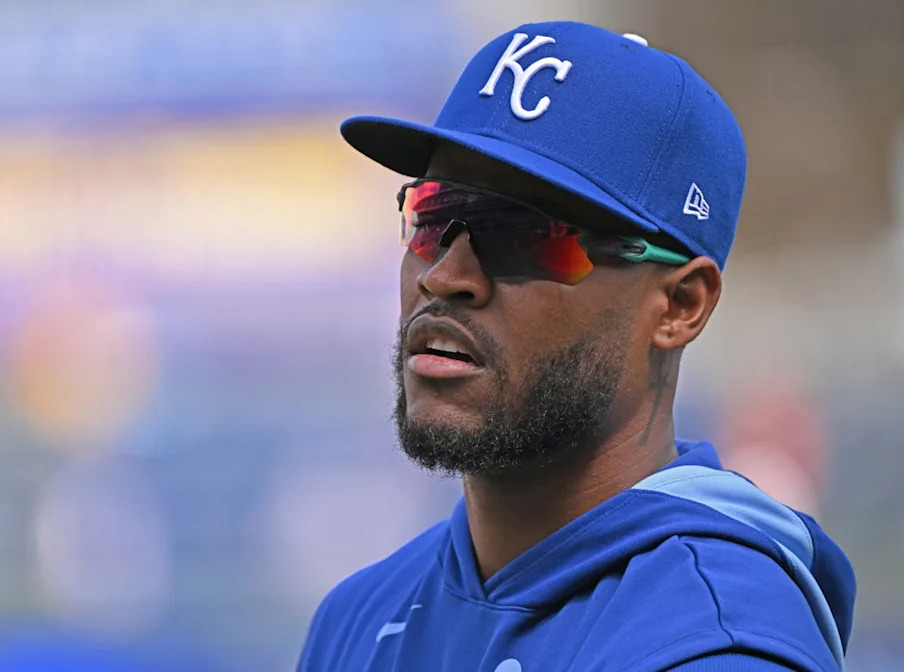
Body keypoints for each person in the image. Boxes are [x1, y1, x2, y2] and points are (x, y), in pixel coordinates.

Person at [297, 21, 855, 672]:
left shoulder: (713, 642)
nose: (445, 276)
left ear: (680, 306)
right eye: (433, 216)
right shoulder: (359, 617)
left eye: (527, 233)